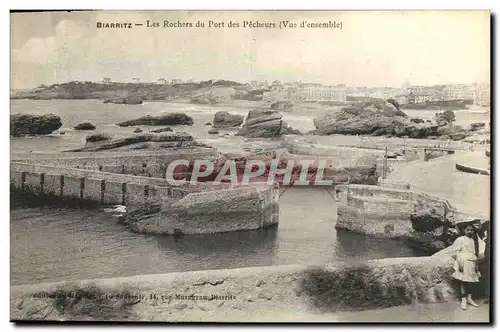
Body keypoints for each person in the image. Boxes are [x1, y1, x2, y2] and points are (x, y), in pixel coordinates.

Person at [452, 222, 481, 310]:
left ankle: (469, 298)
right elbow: (457, 252)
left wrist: (476, 264)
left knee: (471, 281)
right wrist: (460, 263)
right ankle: (463, 299)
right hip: (463, 261)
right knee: (463, 281)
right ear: (464, 230)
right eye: (468, 230)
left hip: (472, 262)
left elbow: (474, 253)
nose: (469, 231)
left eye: (471, 230)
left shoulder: (473, 240)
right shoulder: (460, 239)